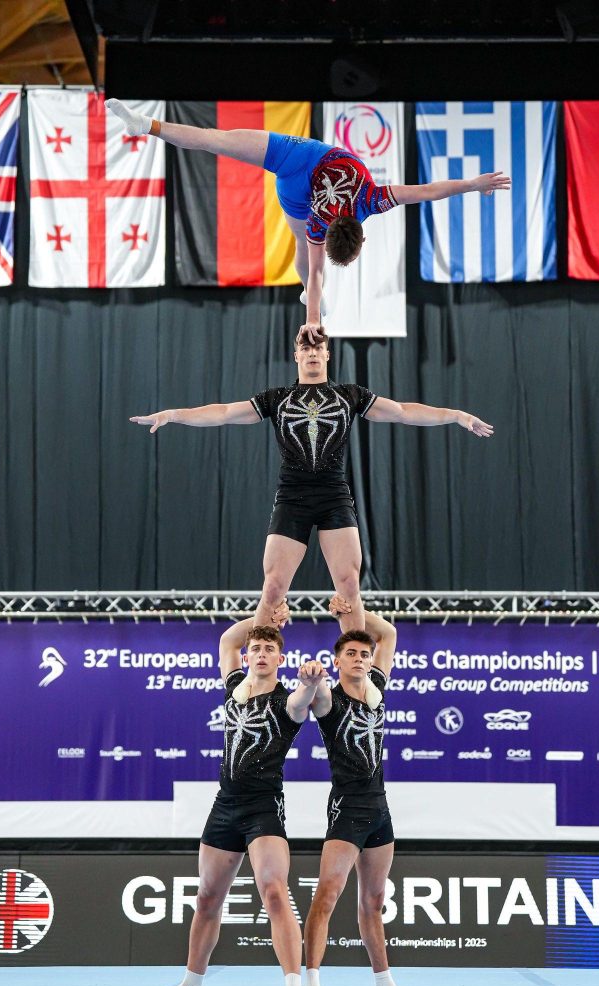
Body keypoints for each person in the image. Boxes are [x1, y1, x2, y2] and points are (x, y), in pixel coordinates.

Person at [131, 328, 494, 634]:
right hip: (293, 498)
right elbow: (224, 412)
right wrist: (173, 414)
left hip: (334, 496)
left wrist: (456, 415)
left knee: (349, 586)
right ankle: (261, 676)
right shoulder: (277, 399)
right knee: (273, 588)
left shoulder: (349, 395)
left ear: (328, 355)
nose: (312, 353)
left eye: (318, 348)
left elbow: (402, 412)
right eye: (306, 349)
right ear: (296, 357)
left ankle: (355, 679)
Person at [105, 98, 510, 338]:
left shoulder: (372, 199)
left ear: (361, 235)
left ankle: (147, 125)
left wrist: (473, 183)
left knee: (218, 141)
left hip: (303, 156)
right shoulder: (318, 225)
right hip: (297, 192)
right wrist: (312, 319)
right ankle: (145, 125)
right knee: (302, 247)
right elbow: (316, 275)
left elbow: (428, 190)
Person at [148, 603, 323, 986]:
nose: (260, 653)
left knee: (274, 892)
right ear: (248, 657)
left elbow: (303, 701)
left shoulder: (287, 701)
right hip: (225, 806)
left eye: (269, 649)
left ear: (280, 659)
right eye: (255, 648)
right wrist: (264, 620)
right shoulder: (235, 689)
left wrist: (311, 682)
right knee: (207, 897)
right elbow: (228, 640)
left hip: (263, 808)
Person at [300, 595, 428, 986]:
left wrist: (351, 608)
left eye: (364, 654)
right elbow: (310, 695)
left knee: (373, 901)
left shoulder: (376, 689)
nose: (359, 659)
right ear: (337, 661)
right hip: (347, 809)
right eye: (351, 654)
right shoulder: (328, 699)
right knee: (327, 895)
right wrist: (311, 678)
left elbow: (387, 633)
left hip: (379, 810)